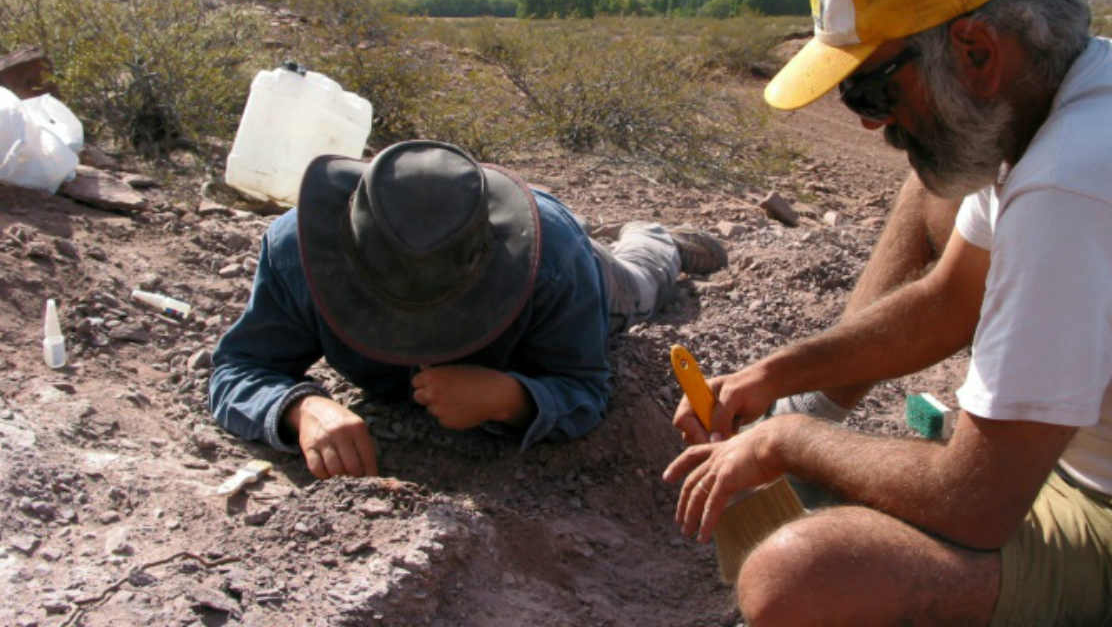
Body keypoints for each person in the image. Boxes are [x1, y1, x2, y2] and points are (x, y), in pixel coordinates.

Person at [663, 0, 1112, 624]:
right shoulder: (1065, 94)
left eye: (874, 89)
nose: (868, 120)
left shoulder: (1075, 188)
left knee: (798, 576)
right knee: (932, 187)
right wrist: (775, 377)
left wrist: (787, 441)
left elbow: (974, 505)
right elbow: (947, 302)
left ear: (977, 50)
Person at [209, 139, 726, 480]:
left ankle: (656, 238)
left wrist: (511, 397)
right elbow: (237, 368)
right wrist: (302, 408)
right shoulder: (297, 253)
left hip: (556, 246)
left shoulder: (553, 263)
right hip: (501, 223)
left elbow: (585, 387)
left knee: (639, 284)